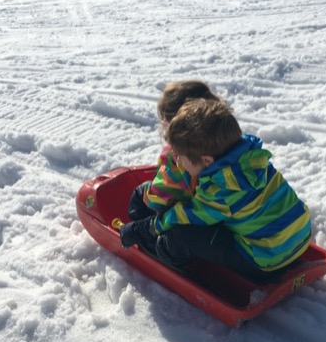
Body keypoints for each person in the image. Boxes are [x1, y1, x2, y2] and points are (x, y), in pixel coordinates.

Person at [120, 98, 312, 282]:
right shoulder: (248, 158)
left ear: (207, 160)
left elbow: (182, 216)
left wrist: (142, 229)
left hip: (267, 260)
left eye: (180, 156)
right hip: (300, 235)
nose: (177, 161)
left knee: (182, 236)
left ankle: (159, 252)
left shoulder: (222, 188)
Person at [127, 81, 221, 221]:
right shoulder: (223, 140)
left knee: (140, 196)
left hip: (189, 219)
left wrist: (148, 194)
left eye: (164, 121)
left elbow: (157, 199)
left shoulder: (177, 159)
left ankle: (146, 238)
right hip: (215, 216)